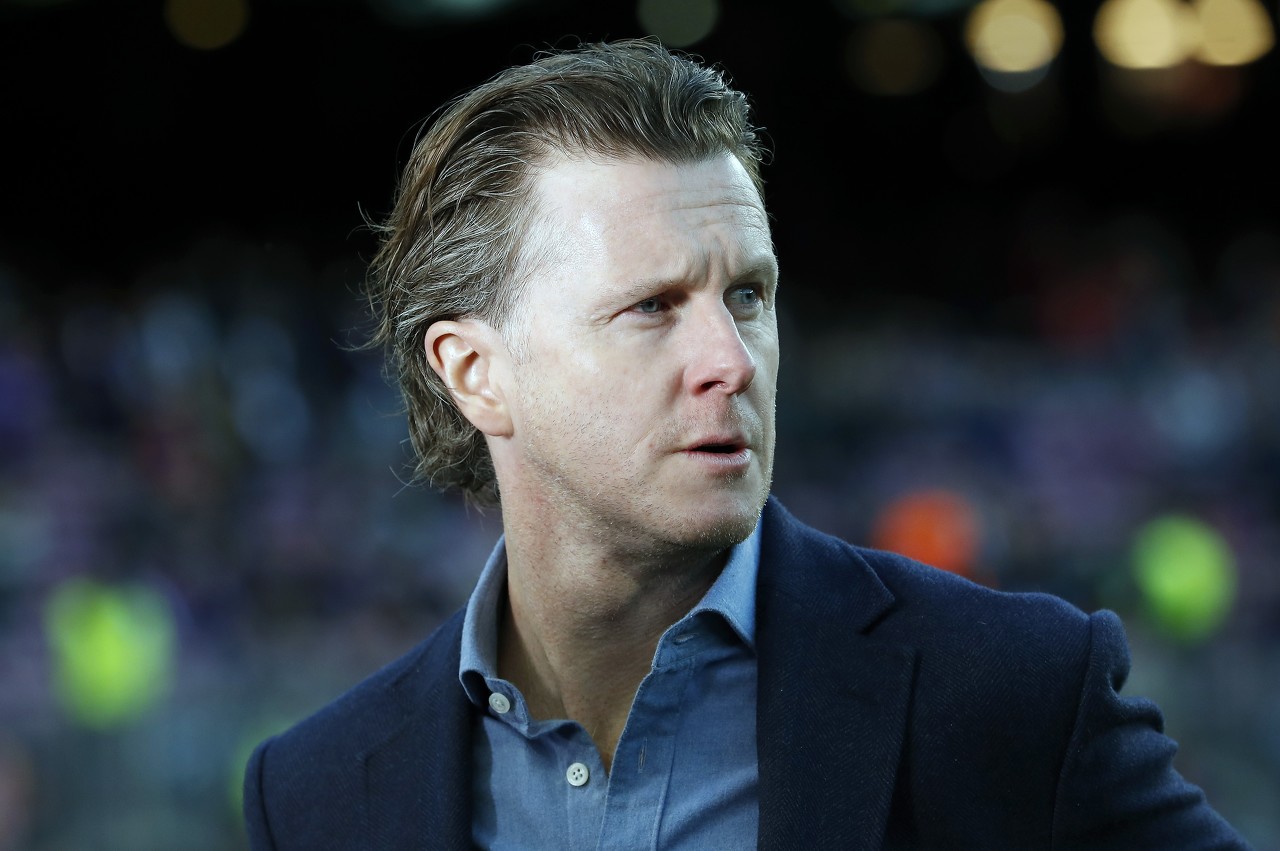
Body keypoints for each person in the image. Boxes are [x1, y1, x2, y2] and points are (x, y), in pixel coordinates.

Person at [242, 38, 1250, 850]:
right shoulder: (315, 793)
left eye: (748, 296)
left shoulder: (1014, 692)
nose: (730, 359)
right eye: (651, 306)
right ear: (474, 371)